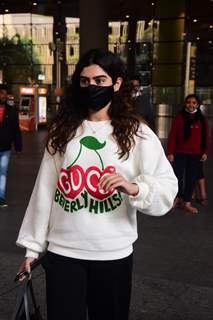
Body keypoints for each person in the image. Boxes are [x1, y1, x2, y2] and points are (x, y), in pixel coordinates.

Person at [16, 49, 177, 320]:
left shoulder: (137, 133)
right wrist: (32, 249)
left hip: (113, 253)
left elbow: (167, 187)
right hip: (63, 252)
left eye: (100, 81)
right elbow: (44, 192)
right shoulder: (63, 131)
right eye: (84, 81)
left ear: (116, 83)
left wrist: (135, 188)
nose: (92, 87)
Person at [167, 94, 210, 214]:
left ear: (197, 105)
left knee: (191, 178)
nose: (191, 105)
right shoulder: (179, 117)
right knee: (177, 177)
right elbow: (172, 135)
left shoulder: (202, 119)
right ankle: (177, 198)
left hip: (195, 154)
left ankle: (187, 202)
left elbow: (206, 137)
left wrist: (205, 152)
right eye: (188, 102)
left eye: (194, 103)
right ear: (185, 104)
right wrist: (170, 152)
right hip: (179, 153)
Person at [0, 84, 22, 208]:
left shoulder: (12, 111)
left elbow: (16, 130)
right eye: (0, 93)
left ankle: (1, 198)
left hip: (5, 148)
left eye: (4, 93)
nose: (2, 96)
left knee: (2, 173)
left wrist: (18, 147)